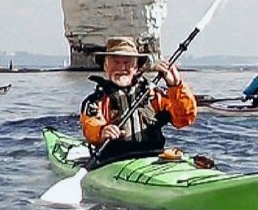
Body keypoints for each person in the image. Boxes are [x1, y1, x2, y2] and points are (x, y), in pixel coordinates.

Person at [77, 36, 197, 167]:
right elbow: (90, 127)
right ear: (106, 66)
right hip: (113, 162)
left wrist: (176, 86)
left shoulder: (154, 96)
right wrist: (102, 132)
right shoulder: (96, 101)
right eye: (115, 62)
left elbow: (184, 119)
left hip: (153, 161)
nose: (122, 67)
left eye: (127, 62)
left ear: (136, 68)